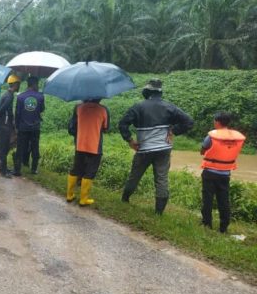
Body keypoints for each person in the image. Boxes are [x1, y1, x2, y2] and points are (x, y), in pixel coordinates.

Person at [119, 78, 194, 215]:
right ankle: (159, 212)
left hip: (144, 150)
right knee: (161, 179)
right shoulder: (169, 107)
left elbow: (122, 124)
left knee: (135, 175)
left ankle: (125, 199)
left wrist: (130, 140)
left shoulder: (138, 107)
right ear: (160, 93)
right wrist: (174, 131)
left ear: (146, 91)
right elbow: (188, 121)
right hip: (164, 149)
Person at [200, 112, 245, 233]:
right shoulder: (236, 137)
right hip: (225, 173)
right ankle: (223, 228)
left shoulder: (212, 136)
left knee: (207, 199)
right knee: (224, 200)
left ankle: (206, 224)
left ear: (217, 122)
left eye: (214, 120)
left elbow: (203, 150)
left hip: (210, 172)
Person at [66, 99, 109, 205]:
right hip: (94, 146)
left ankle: (69, 195)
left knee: (76, 169)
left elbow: (73, 126)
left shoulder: (78, 108)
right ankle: (83, 199)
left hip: (80, 144)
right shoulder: (103, 110)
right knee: (90, 171)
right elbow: (106, 128)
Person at [13, 76, 45, 176]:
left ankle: (17, 170)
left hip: (22, 127)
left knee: (20, 147)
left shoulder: (20, 97)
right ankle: (34, 169)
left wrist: (16, 127)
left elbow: (17, 113)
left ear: (27, 84)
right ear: (35, 84)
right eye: (38, 84)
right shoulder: (40, 96)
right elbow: (41, 110)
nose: (38, 86)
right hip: (35, 127)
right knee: (35, 148)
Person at [0, 74, 21, 178]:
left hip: (3, 125)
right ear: (15, 84)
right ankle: (3, 172)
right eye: (18, 84)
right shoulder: (9, 96)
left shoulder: (7, 94)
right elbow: (1, 109)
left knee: (2, 148)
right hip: (3, 126)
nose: (19, 86)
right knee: (3, 149)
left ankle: (3, 169)